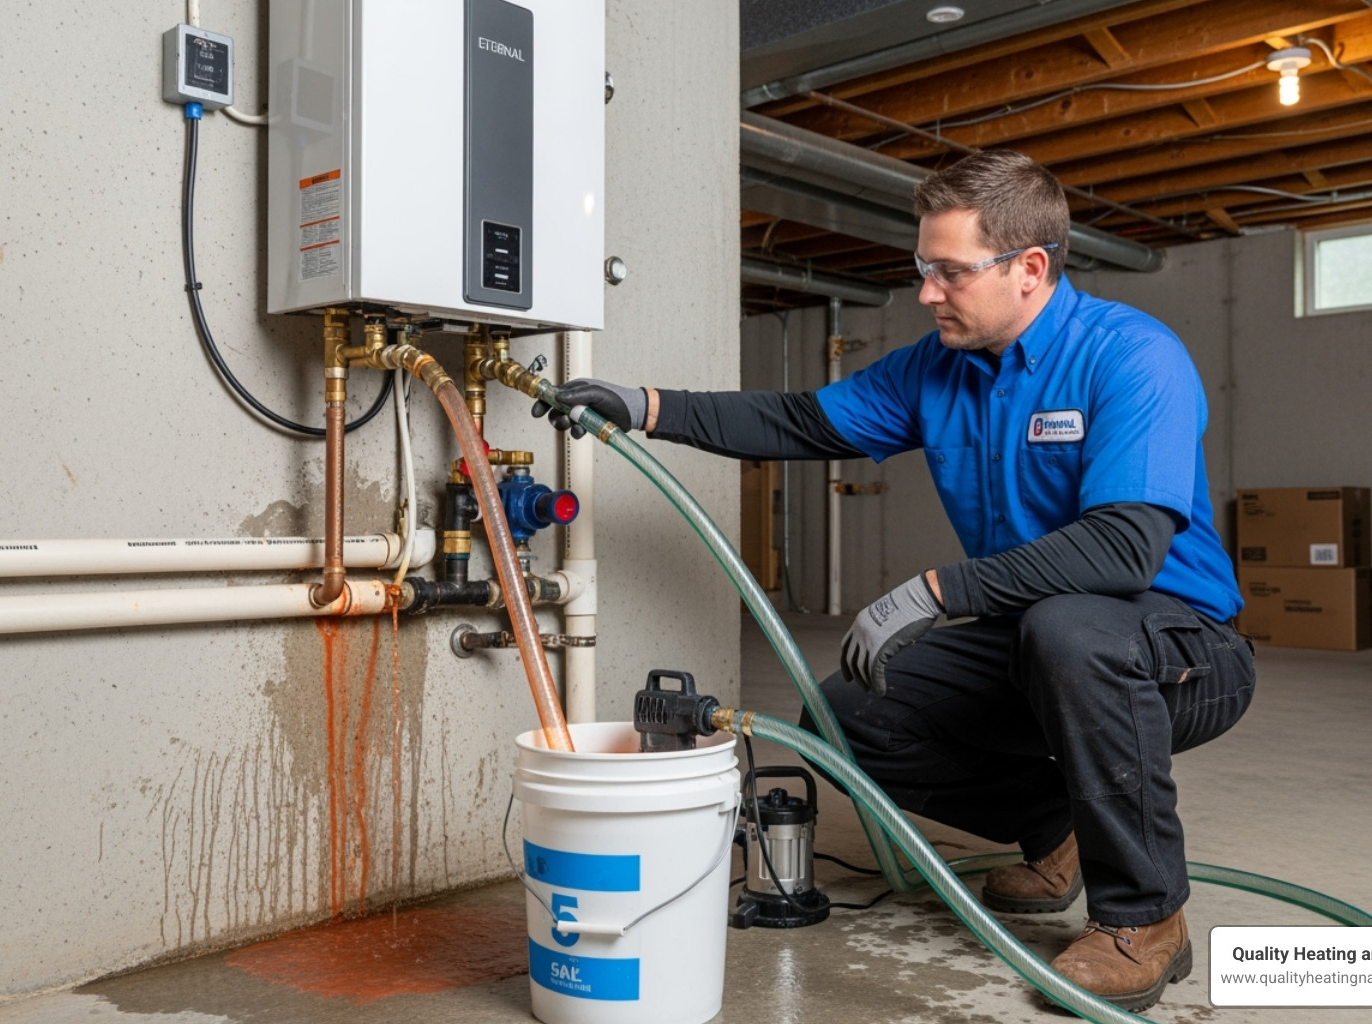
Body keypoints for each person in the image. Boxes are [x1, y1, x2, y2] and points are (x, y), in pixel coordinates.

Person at [534, 148, 1256, 1013]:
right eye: (923, 268)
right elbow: (803, 421)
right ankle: (1056, 824)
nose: (926, 293)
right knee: (846, 718)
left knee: (1070, 630)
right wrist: (648, 406)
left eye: (950, 272)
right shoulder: (936, 368)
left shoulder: (1132, 356)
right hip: (1034, 638)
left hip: (1181, 650)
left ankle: (1146, 918)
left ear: (1030, 268)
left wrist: (937, 593)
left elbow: (1122, 550)